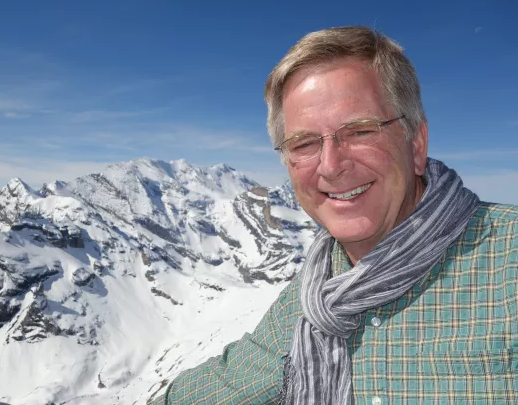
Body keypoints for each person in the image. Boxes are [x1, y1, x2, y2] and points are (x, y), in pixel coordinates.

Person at [151, 26, 518, 404]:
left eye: (360, 131)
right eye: (305, 143)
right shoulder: (316, 291)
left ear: (417, 144)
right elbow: (231, 381)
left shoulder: (507, 262)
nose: (331, 165)